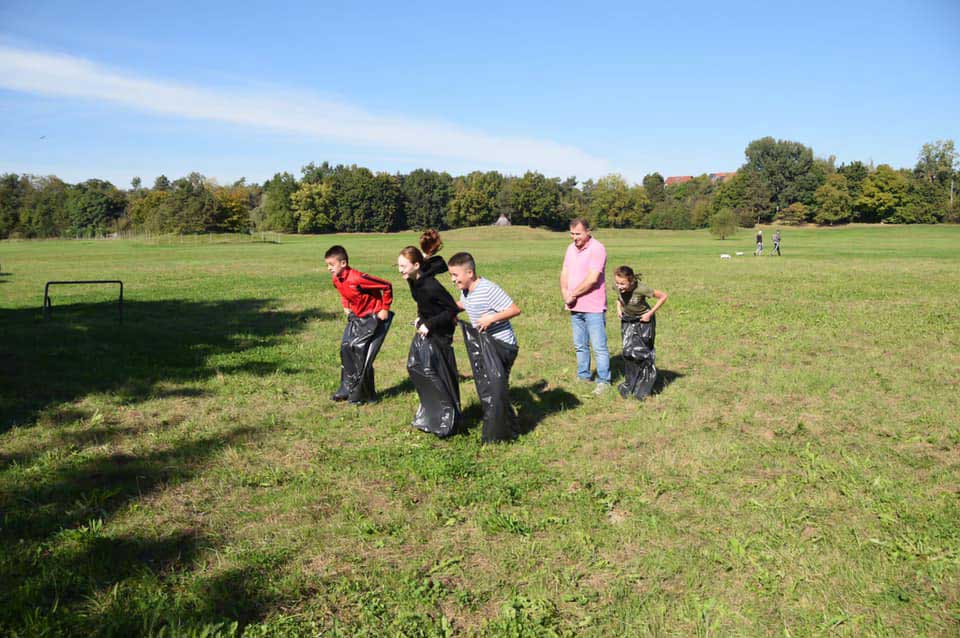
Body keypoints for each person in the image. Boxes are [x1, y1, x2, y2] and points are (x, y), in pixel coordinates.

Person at [448, 252, 522, 442]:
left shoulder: (488, 289)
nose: (452, 279)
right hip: (486, 345)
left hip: (502, 345)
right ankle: (502, 426)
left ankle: (507, 432)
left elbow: (514, 309)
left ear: (470, 273)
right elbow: (464, 304)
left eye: (455, 275)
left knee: (497, 387)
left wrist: (491, 318)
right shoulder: (466, 291)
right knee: (493, 387)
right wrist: (447, 311)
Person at [398, 246, 462, 437]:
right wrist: (420, 318)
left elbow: (451, 309)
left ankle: (449, 418)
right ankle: (431, 414)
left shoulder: (431, 285)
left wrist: (430, 324)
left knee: (435, 373)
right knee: (415, 366)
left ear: (416, 265)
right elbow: (424, 305)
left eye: (403, 266)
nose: (400, 269)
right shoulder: (413, 281)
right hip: (427, 329)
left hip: (440, 334)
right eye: (398, 265)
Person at [325, 245, 394, 405]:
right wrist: (346, 306)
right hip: (356, 317)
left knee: (360, 352)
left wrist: (385, 308)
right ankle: (346, 388)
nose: (329, 268)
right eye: (327, 265)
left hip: (372, 317)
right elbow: (343, 292)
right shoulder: (336, 279)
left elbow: (387, 286)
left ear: (343, 263)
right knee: (346, 347)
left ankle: (363, 394)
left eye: (331, 264)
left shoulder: (358, 278)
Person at [560, 217, 610, 394]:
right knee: (580, 345)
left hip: (593, 307)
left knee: (599, 346)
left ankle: (604, 381)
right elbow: (565, 271)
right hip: (575, 306)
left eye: (578, 234)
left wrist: (573, 294)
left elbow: (592, 278)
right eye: (572, 234)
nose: (575, 238)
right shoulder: (570, 249)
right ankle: (583, 376)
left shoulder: (597, 249)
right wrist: (565, 291)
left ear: (588, 231)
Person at [614, 266, 667, 400]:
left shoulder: (641, 289)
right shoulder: (618, 287)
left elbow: (663, 296)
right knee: (627, 352)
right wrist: (619, 308)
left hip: (644, 321)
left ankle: (644, 387)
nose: (619, 286)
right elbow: (619, 298)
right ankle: (631, 383)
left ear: (631, 281)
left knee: (643, 354)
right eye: (617, 283)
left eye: (622, 283)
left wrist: (650, 313)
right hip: (628, 320)